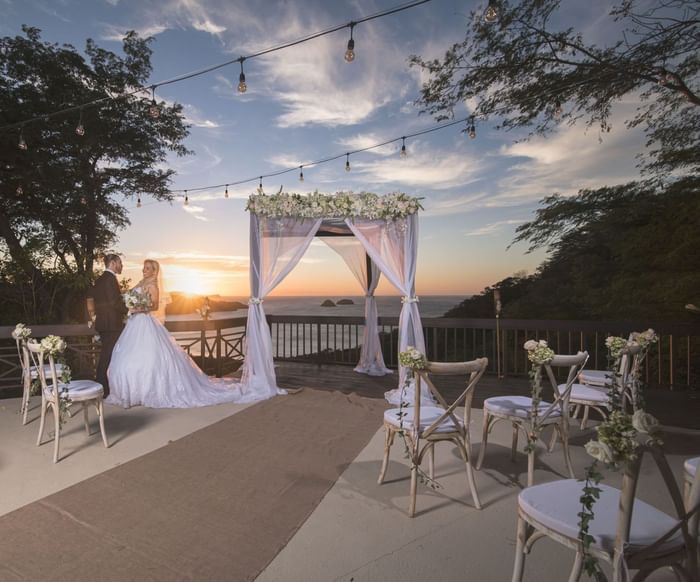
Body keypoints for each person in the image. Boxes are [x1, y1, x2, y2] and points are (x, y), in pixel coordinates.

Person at [106, 259, 244, 408]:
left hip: (144, 322)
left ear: (154, 271)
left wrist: (137, 308)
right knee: (128, 359)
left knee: (151, 358)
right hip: (134, 324)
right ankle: (131, 393)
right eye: (143, 268)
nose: (144, 270)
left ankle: (150, 392)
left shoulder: (153, 285)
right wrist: (130, 304)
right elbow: (130, 299)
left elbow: (154, 306)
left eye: (147, 268)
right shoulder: (140, 283)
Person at [87, 253, 128, 398]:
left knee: (107, 354)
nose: (121, 266)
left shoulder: (99, 279)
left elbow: (92, 299)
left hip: (104, 323)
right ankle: (102, 388)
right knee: (107, 356)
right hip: (111, 324)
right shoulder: (110, 279)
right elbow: (114, 302)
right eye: (120, 263)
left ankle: (106, 385)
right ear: (113, 263)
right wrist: (129, 310)